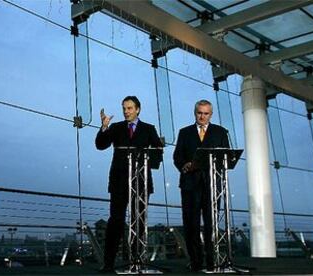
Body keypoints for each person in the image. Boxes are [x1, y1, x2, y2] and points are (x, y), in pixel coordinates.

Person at [95, 96, 163, 272]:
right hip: (119, 182)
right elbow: (100, 145)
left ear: (138, 109)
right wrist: (104, 127)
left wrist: (145, 157)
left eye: (130, 108)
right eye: (124, 108)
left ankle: (137, 261)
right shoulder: (116, 128)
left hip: (141, 182)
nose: (126, 111)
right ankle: (108, 263)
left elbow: (157, 154)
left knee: (138, 222)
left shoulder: (149, 129)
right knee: (115, 221)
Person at [173, 99, 230, 272]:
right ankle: (196, 262)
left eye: (206, 113)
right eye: (199, 113)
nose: (202, 116)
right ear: (195, 112)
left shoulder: (220, 132)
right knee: (191, 225)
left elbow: (225, 157)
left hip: (212, 185)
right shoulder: (185, 132)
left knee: (211, 225)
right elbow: (177, 157)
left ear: (210, 114)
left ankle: (212, 262)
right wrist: (184, 165)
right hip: (190, 185)